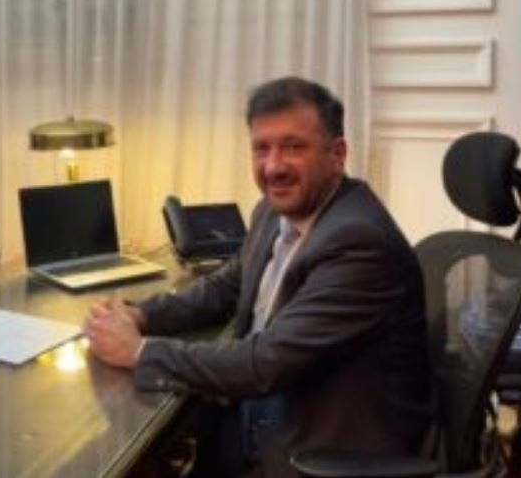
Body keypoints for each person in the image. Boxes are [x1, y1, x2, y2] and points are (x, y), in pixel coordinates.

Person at [85, 77, 435, 477]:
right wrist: (140, 315)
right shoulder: (272, 211)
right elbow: (223, 288)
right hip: (261, 413)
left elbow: (265, 363)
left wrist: (139, 351)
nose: (273, 167)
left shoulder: (359, 241)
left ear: (337, 154)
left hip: (319, 450)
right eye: (261, 148)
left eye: (293, 147)